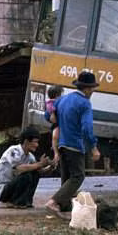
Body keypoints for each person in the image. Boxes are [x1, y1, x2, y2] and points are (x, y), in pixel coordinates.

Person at [45, 71, 102, 218]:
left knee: (67, 178)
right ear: (88, 89)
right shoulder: (84, 104)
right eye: (93, 89)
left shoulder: (63, 99)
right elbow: (87, 128)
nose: (93, 92)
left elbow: (48, 114)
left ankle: (64, 208)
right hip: (74, 144)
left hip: (61, 144)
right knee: (77, 176)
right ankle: (54, 201)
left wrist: (54, 119)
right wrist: (93, 147)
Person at [0, 125, 51, 208]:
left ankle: (26, 201)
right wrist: (39, 164)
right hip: (2, 190)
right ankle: (16, 202)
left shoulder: (30, 156)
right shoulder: (14, 150)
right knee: (26, 175)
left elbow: (39, 171)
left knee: (34, 174)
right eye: (35, 142)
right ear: (26, 141)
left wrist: (50, 166)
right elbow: (19, 169)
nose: (37, 145)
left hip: (12, 187)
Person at [44, 85, 63, 166]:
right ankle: (56, 153)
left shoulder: (52, 102)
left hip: (58, 123)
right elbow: (52, 118)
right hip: (57, 124)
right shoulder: (52, 103)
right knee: (55, 137)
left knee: (55, 137)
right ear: (57, 95)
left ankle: (55, 152)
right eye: (60, 95)